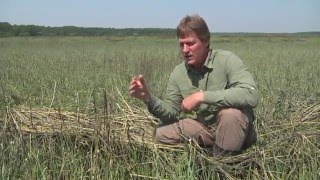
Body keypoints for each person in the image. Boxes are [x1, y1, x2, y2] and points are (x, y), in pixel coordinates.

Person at [129, 14, 259, 156]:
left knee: (230, 115)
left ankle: (224, 165)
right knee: (161, 134)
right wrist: (148, 98)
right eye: (181, 44)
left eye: (190, 43)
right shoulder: (179, 73)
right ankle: (214, 148)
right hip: (205, 127)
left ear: (206, 41)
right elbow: (171, 114)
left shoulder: (227, 60)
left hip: (235, 126)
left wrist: (201, 96)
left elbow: (251, 94)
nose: (185, 50)